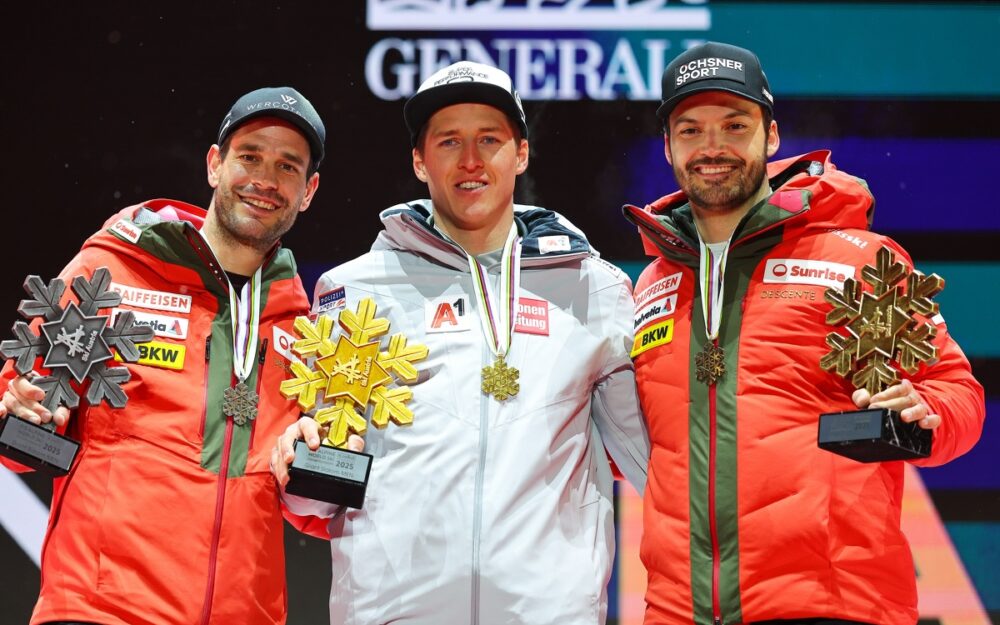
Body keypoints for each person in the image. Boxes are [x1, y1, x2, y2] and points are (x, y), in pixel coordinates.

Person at [270, 60, 649, 625]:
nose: (470, 161)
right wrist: (297, 460)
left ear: (521, 154)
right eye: (449, 142)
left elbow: (656, 467)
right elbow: (317, 496)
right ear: (420, 161)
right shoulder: (352, 290)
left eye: (489, 140)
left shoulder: (595, 291)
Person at [623, 41, 986, 625]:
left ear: (770, 137)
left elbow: (959, 395)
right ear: (668, 147)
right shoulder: (651, 285)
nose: (712, 147)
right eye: (690, 130)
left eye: (734, 125)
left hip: (833, 604)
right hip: (677, 609)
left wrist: (923, 414)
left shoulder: (856, 259)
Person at [0, 86, 335, 625]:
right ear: (214, 164)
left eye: (287, 166)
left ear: (309, 190)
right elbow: (19, 436)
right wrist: (21, 412)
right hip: (100, 608)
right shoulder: (110, 273)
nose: (265, 180)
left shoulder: (304, 326)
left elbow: (313, 512)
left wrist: (319, 468)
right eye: (249, 156)